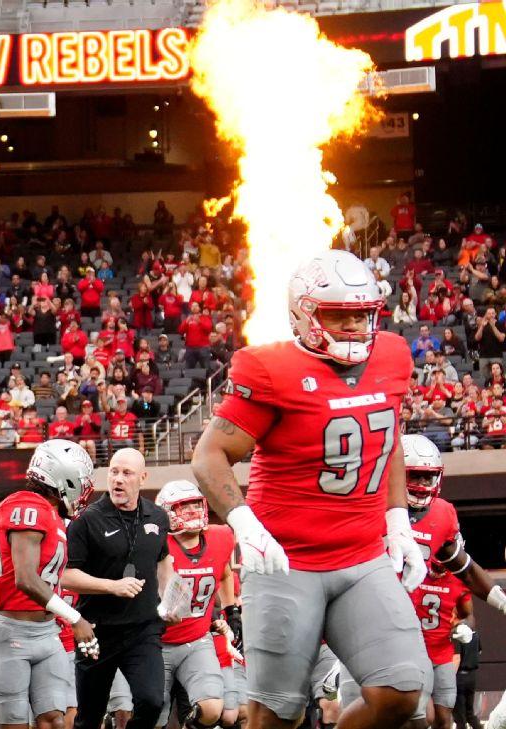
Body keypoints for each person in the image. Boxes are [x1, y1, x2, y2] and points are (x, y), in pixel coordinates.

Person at [190, 249, 430, 729]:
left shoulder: (392, 355)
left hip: (363, 557)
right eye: (338, 315)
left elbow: (388, 438)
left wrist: (398, 521)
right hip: (286, 560)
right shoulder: (268, 368)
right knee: (276, 713)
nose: (353, 327)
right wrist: (244, 524)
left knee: (401, 693)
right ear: (302, 313)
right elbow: (208, 456)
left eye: (362, 315)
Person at [341, 434, 506, 728]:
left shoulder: (442, 513)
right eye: (415, 476)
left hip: (407, 633)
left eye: (428, 477)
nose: (423, 485)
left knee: (415, 713)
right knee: (361, 708)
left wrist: (502, 601)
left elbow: (465, 567)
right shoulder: (370, 504)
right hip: (364, 625)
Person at [0, 440, 98, 729]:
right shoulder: (25, 504)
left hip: (47, 633)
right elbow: (26, 579)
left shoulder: (53, 514)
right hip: (12, 634)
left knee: (55, 721)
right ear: (62, 477)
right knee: (15, 725)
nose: (82, 490)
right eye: (79, 482)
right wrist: (75, 618)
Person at [63, 448, 171, 729]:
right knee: (89, 717)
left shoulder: (158, 517)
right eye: (113, 471)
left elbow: (162, 559)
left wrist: (167, 601)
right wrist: (112, 586)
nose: (118, 479)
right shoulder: (87, 520)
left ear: (143, 478)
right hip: (97, 631)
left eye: (127, 473)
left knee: (151, 702)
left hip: (143, 631)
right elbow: (66, 576)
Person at [153, 481, 236, 729]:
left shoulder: (220, 537)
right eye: (182, 506)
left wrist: (231, 610)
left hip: (197, 640)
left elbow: (224, 573)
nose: (190, 511)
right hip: (158, 642)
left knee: (212, 709)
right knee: (153, 715)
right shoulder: (156, 544)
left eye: (194, 504)